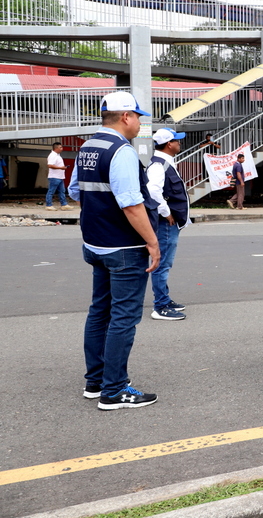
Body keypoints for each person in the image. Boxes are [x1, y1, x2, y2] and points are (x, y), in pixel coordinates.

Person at [69, 91, 160, 409]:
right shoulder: (121, 151)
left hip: (95, 244)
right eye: (138, 116)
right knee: (123, 317)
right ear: (126, 117)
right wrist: (152, 242)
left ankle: (95, 381)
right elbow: (132, 204)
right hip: (124, 248)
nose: (139, 122)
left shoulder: (87, 148)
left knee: (99, 312)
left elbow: (73, 190)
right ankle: (115, 390)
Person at [146, 128, 190, 321]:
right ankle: (160, 306)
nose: (179, 143)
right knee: (162, 264)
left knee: (165, 263)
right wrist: (166, 211)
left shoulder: (164, 163)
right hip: (165, 223)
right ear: (169, 144)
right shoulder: (159, 165)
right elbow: (152, 190)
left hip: (169, 222)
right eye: (177, 141)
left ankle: (165, 299)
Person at [46, 142, 72, 211]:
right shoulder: (53, 155)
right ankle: (49, 205)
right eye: (60, 147)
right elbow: (50, 165)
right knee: (51, 191)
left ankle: (64, 204)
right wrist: (61, 168)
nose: (62, 149)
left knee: (62, 191)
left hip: (60, 176)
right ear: (56, 148)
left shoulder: (57, 155)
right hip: (54, 176)